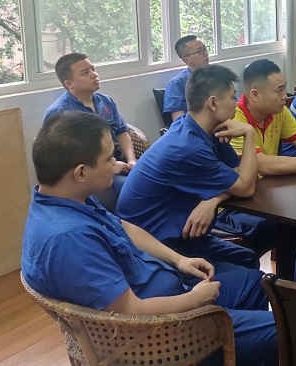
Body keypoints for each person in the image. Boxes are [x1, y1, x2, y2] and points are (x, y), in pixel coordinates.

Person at [22, 111, 277, 366]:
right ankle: (222, 346)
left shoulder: (67, 200)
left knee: (254, 283)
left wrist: (179, 260)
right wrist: (195, 300)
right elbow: (130, 312)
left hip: (170, 297)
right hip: (160, 335)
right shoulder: (71, 239)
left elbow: (125, 228)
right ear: (80, 173)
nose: (115, 162)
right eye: (108, 158)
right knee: (286, 330)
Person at [116, 65, 265, 269]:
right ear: (213, 103)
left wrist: (213, 199)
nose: (237, 103)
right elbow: (246, 186)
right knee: (249, 271)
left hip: (178, 235)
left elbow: (241, 174)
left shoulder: (199, 127)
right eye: (232, 97)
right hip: (152, 249)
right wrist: (249, 133)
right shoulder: (188, 147)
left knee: (246, 258)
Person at [44, 53, 136, 201]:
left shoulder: (106, 101)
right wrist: (110, 167)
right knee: (133, 190)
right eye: (85, 73)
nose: (94, 75)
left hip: (119, 163)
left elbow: (122, 132)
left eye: (93, 69)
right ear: (69, 84)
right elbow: (62, 158)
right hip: (89, 175)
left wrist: (132, 161)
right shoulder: (60, 112)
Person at [163, 35, 210, 121]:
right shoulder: (177, 83)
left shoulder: (217, 75)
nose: (206, 53)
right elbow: (179, 122)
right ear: (186, 60)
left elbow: (234, 103)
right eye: (200, 51)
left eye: (205, 49)